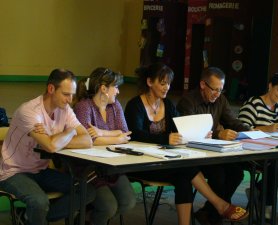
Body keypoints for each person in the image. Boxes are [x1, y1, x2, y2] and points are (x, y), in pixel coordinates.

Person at [125, 63, 248, 225]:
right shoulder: (135, 105)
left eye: (168, 83)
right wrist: (166, 139)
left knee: (184, 177)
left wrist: (199, 133)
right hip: (143, 162)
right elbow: (135, 134)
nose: (166, 87)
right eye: (162, 83)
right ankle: (220, 205)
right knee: (187, 169)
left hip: (165, 159)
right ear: (149, 82)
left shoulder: (167, 105)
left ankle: (207, 212)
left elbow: (182, 127)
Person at [0, 69, 96, 225]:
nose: (70, 100)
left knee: (87, 191)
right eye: (66, 94)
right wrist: (68, 133)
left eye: (72, 94)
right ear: (51, 89)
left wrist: (63, 134)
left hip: (40, 170)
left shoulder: (65, 110)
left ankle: (28, 217)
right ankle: (34, 216)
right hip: (14, 171)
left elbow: (87, 140)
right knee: (39, 201)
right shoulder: (29, 111)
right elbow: (51, 147)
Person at [177, 66, 251, 225]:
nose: (217, 94)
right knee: (218, 175)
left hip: (213, 153)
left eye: (221, 90)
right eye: (214, 90)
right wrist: (218, 134)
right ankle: (215, 215)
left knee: (237, 173)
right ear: (203, 85)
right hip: (193, 154)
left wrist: (252, 131)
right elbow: (190, 134)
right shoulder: (188, 101)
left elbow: (232, 122)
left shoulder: (220, 100)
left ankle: (209, 212)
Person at [73, 67, 136, 225]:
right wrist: (116, 137)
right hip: (89, 168)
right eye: (116, 87)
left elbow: (125, 134)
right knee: (109, 207)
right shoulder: (84, 107)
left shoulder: (115, 106)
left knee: (128, 202)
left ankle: (88, 217)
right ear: (103, 88)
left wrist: (100, 133)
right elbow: (87, 140)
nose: (118, 92)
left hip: (111, 167)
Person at [238, 70, 278, 219]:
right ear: (270, 86)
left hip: (274, 150)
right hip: (251, 151)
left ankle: (258, 191)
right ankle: (267, 205)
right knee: (277, 170)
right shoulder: (254, 104)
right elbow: (240, 130)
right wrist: (265, 129)